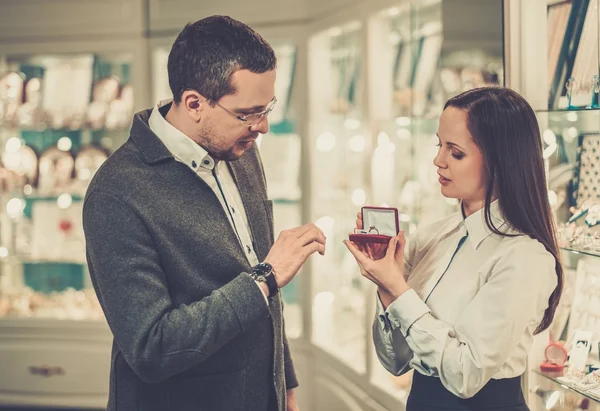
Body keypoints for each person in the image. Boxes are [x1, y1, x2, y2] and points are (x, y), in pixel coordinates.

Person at [82, 16, 326, 411]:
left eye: (267, 108)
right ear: (195, 103)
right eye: (249, 113)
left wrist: (284, 385)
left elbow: (264, 288)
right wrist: (263, 279)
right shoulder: (116, 193)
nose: (262, 126)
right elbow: (151, 348)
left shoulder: (241, 150)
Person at [344, 87, 563, 411]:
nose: (437, 160)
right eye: (439, 145)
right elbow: (396, 362)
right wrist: (386, 287)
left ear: (500, 161)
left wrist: (399, 290)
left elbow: (465, 375)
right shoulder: (430, 237)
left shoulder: (524, 258)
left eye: (455, 152)